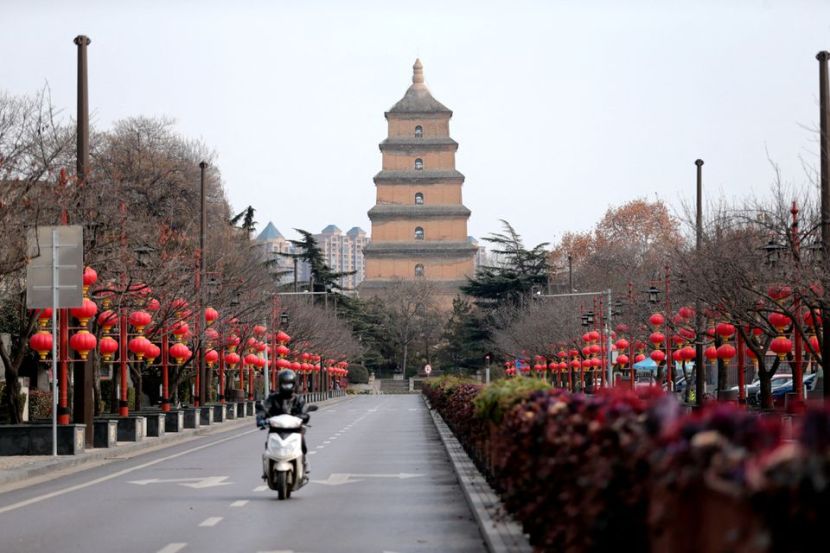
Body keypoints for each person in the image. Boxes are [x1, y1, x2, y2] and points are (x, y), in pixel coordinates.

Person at [256, 369, 310, 477]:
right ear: (280, 383)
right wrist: (261, 418)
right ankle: (267, 468)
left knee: (302, 444)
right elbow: (264, 409)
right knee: (268, 445)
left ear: (294, 384)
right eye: (284, 384)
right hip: (276, 429)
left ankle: (304, 462)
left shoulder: (298, 399)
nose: (287, 387)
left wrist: (303, 416)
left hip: (294, 429)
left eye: (289, 384)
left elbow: (304, 411)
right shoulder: (273, 398)